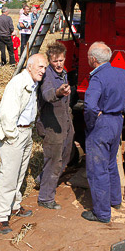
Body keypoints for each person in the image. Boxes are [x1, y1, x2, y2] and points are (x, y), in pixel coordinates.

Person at [83, 42, 125, 223]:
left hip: (102, 124)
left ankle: (101, 213)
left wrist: (93, 120)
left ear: (93, 59)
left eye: (88, 56)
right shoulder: (122, 73)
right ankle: (115, 200)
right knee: (111, 163)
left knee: (97, 169)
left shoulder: (97, 78)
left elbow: (90, 106)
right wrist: (124, 109)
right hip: (117, 121)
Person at [0, 54, 47, 234]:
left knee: (20, 172)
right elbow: (7, 114)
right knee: (8, 174)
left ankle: (14, 205)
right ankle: (0, 215)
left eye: (45, 68)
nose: (43, 71)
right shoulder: (18, 83)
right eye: (40, 67)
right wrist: (12, 136)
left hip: (26, 131)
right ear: (29, 66)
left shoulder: (32, 83)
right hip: (15, 133)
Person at [36, 42, 74, 210]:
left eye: (61, 60)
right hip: (52, 125)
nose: (59, 64)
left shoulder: (63, 73)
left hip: (65, 122)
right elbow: (47, 94)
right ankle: (45, 198)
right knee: (54, 161)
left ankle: (41, 180)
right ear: (50, 60)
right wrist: (59, 92)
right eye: (55, 61)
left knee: (66, 154)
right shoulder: (47, 77)